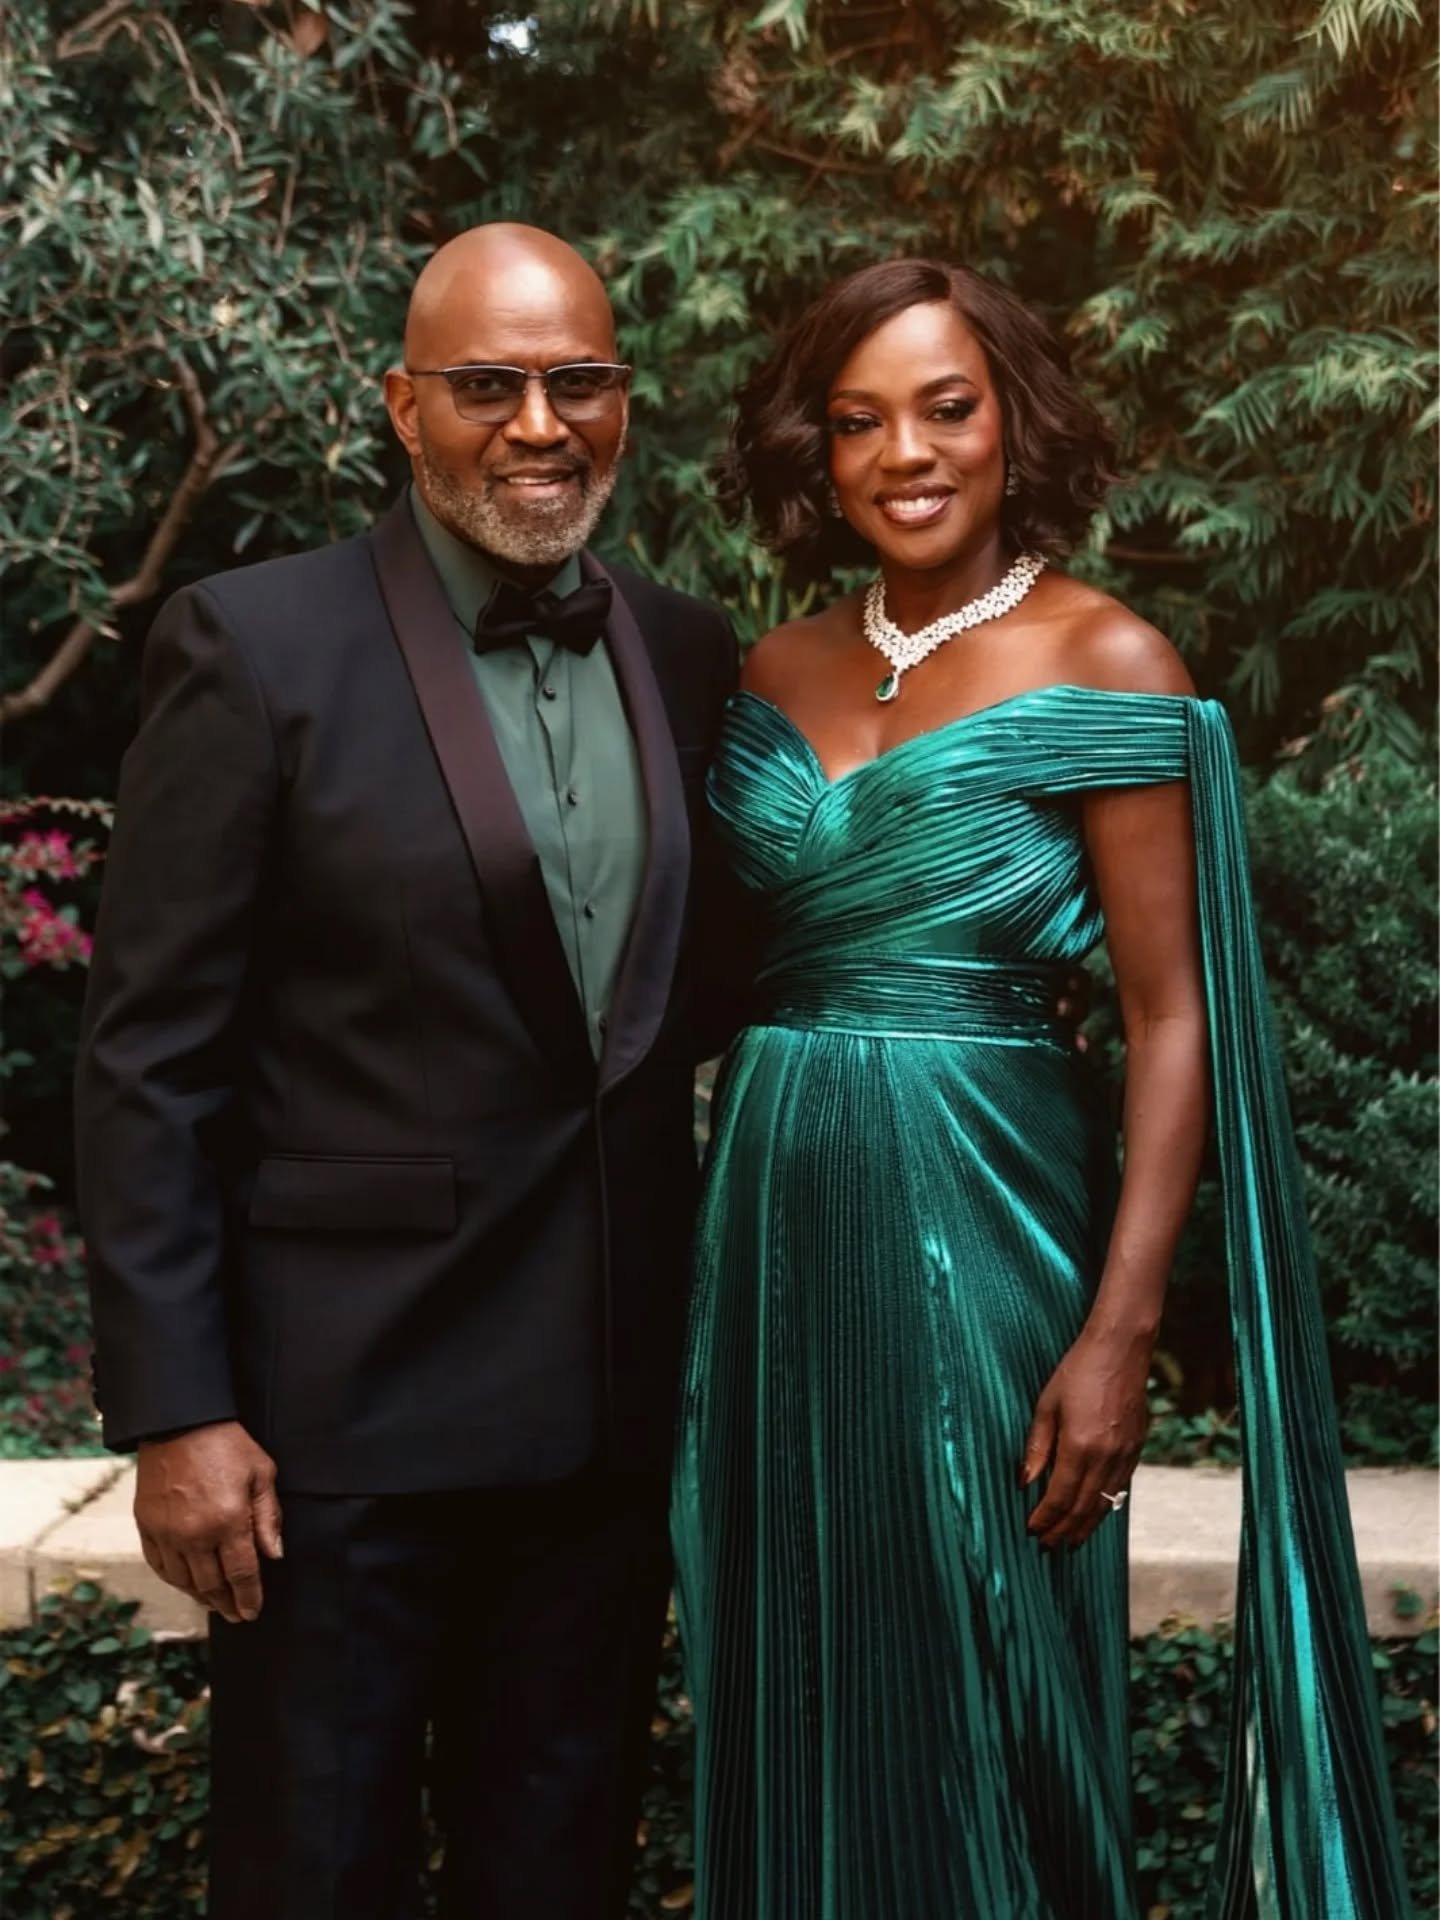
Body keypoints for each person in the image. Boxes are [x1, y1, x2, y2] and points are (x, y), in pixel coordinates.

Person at [669, 258, 1410, 1919]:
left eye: (947, 407)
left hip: (985, 1209)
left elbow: (1172, 1018)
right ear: (821, 451)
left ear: (1014, 423)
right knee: (786, 1644)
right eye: (860, 422)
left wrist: (1121, 1327)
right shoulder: (767, 670)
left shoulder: (1110, 660)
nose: (906, 454)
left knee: (986, 1655)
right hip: (775, 1221)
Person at [73, 223, 743, 1920]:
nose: (538, 422)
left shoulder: (683, 649)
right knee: (315, 1874)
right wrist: (177, 1408)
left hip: (599, 1425)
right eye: (488, 385)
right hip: (335, 1435)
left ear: (623, 403)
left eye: (576, 380)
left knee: (561, 1873)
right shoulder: (255, 647)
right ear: (403, 408)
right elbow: (149, 1056)